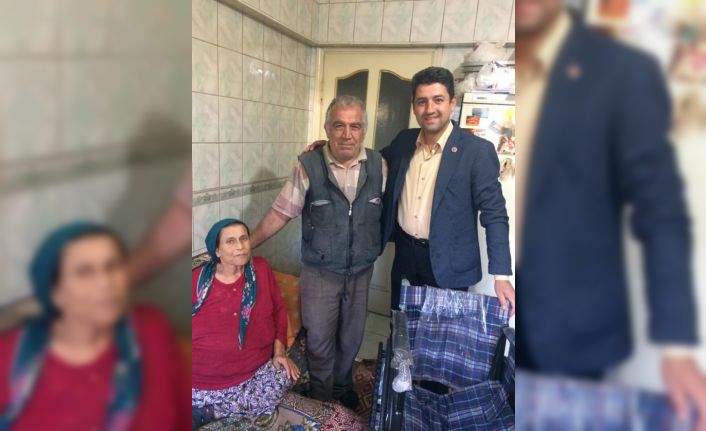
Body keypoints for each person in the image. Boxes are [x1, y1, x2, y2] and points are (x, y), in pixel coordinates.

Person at [514, 0, 706, 425]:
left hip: (574, 328)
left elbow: (662, 212)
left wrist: (677, 349)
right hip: (508, 314)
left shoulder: (624, 73)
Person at [250, 95, 386, 408]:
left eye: (355, 126)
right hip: (320, 272)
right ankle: (322, 397)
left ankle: (342, 388)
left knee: (351, 337)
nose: (347, 134)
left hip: (361, 271)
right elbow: (281, 212)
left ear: (364, 130)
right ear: (327, 128)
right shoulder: (308, 165)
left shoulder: (380, 164)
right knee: (321, 339)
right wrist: (249, 243)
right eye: (339, 125)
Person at [0, 222, 190, 430]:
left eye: (113, 266)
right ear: (54, 291)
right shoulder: (8, 355)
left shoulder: (150, 330)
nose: (105, 283)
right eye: (85, 272)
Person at [380, 67, 516, 314]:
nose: (429, 109)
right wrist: (327, 147)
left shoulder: (476, 151)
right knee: (400, 328)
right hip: (405, 257)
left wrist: (501, 275)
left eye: (438, 100)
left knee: (441, 336)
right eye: (422, 101)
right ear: (414, 107)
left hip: (449, 266)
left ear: (452, 103)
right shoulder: (404, 141)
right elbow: (373, 161)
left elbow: (494, 213)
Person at [191, 218, 299, 421]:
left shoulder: (261, 269)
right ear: (217, 251)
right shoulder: (196, 280)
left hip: (253, 371)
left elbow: (279, 309)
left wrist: (279, 352)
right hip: (202, 380)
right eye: (230, 241)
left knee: (287, 374)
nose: (240, 246)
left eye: (244, 239)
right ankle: (210, 406)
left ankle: (210, 411)